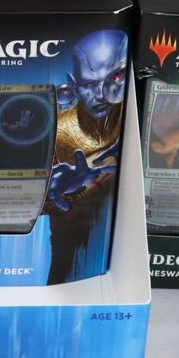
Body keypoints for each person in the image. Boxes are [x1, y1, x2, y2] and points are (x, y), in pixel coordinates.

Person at [46, 30, 128, 284]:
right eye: (90, 84)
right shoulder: (57, 130)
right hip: (72, 250)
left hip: (125, 249)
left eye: (114, 78)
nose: (102, 94)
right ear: (73, 84)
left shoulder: (132, 118)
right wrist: (58, 195)